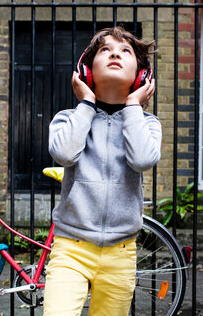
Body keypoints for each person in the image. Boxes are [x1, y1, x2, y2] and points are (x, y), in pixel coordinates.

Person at [44, 27, 162, 315]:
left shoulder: (147, 124)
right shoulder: (68, 119)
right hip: (71, 248)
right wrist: (86, 103)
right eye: (105, 50)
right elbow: (64, 153)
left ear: (141, 75)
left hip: (121, 253)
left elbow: (143, 159)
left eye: (125, 51)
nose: (115, 54)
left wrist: (133, 104)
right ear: (86, 70)